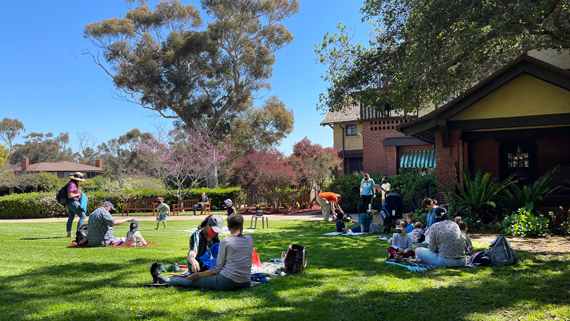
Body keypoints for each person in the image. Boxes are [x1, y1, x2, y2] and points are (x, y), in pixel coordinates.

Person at [151, 214, 253, 291]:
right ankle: (167, 280)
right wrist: (193, 261)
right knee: (194, 277)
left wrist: (199, 276)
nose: (215, 233)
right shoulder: (250, 238)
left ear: (229, 227)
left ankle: (166, 281)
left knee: (193, 281)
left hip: (225, 279)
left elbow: (217, 269)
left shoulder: (224, 241)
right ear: (242, 226)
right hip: (245, 281)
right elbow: (192, 252)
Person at [65, 172, 87, 237]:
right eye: (80, 181)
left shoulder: (70, 184)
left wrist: (78, 192)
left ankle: (69, 234)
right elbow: (70, 195)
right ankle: (78, 233)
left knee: (71, 218)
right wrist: (78, 194)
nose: (80, 182)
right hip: (73, 203)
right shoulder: (72, 185)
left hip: (69, 203)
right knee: (83, 216)